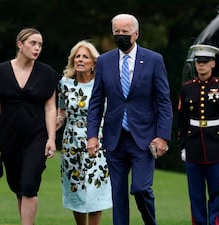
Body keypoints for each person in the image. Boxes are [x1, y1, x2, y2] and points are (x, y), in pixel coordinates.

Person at [86, 14, 173, 225]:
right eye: (117, 32)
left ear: (136, 33)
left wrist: (163, 136)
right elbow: (96, 101)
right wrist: (92, 136)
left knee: (141, 188)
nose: (121, 36)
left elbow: (163, 101)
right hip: (114, 138)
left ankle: (150, 222)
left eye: (125, 32)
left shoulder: (153, 60)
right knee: (118, 193)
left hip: (143, 137)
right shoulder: (104, 62)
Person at [0, 28, 60, 225]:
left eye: (40, 44)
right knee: (18, 186)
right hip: (10, 137)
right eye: (32, 43)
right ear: (20, 44)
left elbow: (51, 108)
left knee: (29, 184)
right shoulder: (0, 72)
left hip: (37, 136)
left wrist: (51, 138)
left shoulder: (47, 74)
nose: (37, 48)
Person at [177, 44, 219, 225]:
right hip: (193, 145)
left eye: (205, 62)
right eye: (198, 61)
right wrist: (182, 145)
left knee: (215, 191)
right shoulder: (187, 88)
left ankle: (215, 222)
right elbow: (182, 120)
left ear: (213, 63)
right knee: (195, 193)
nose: (201, 65)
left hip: (215, 146)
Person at [56, 40, 112, 225]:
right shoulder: (64, 84)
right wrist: (55, 123)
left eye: (85, 57)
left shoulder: (102, 84)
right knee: (76, 187)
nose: (80, 60)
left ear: (94, 63)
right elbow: (61, 112)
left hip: (97, 141)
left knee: (95, 188)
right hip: (71, 142)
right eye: (77, 56)